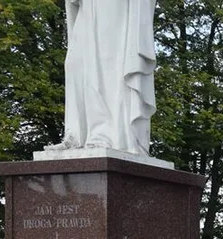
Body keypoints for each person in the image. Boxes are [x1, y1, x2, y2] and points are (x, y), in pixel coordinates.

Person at [46, 0, 157, 155]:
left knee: (108, 65)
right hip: (87, 7)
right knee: (76, 64)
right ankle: (76, 135)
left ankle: (105, 135)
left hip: (114, 8)